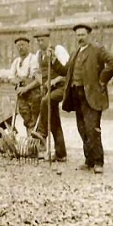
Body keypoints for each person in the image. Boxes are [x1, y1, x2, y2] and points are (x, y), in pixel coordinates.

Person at [52, 24, 113, 174]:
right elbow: (66, 71)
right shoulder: (75, 52)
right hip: (77, 95)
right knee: (82, 128)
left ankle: (98, 162)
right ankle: (89, 161)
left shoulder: (97, 49)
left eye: (83, 35)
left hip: (92, 96)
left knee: (92, 129)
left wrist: (102, 80)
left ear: (89, 35)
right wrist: (54, 62)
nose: (80, 38)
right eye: (78, 35)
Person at [31, 28, 70, 161]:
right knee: (54, 121)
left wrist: (53, 81)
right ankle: (61, 154)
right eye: (38, 40)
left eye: (43, 40)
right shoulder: (38, 54)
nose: (40, 43)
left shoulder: (58, 49)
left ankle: (42, 131)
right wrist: (42, 82)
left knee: (45, 101)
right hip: (48, 89)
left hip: (62, 86)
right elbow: (36, 71)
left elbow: (67, 71)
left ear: (49, 39)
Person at [9, 36, 40, 136]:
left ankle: (38, 144)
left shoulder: (34, 59)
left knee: (35, 117)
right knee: (26, 117)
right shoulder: (16, 61)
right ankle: (29, 141)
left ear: (28, 45)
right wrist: (16, 81)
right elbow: (11, 77)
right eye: (18, 46)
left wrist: (26, 88)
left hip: (34, 93)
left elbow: (38, 80)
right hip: (21, 94)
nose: (20, 48)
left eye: (22, 45)